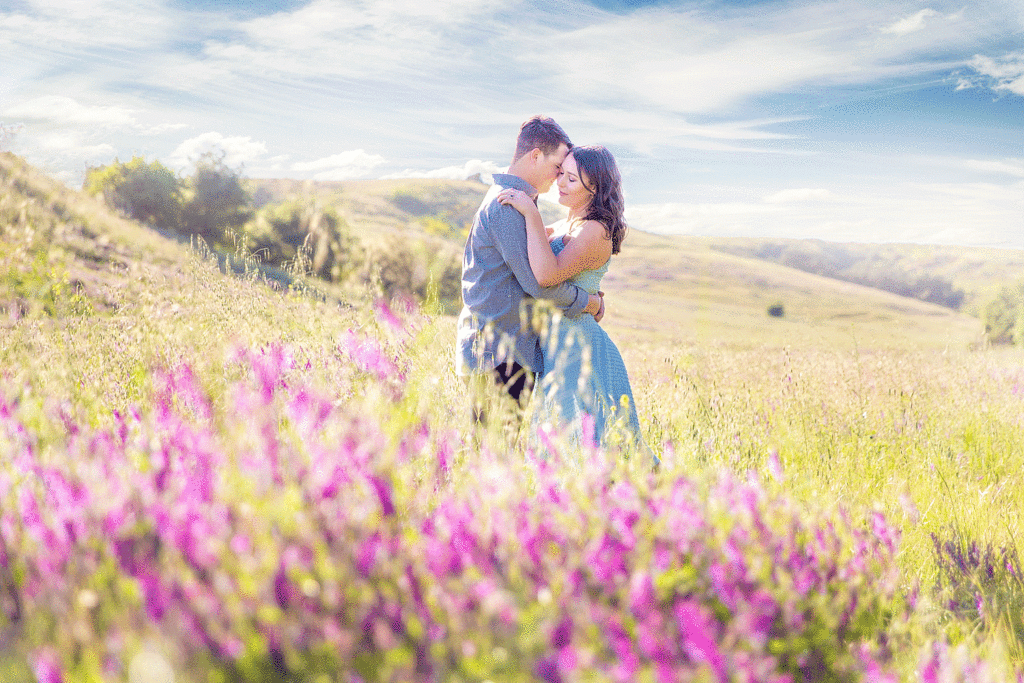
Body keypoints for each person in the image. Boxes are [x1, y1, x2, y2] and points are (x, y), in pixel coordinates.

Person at [497, 145, 649, 456]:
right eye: (562, 174)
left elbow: (547, 276)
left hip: (578, 345)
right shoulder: (571, 222)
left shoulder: (594, 230)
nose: (560, 183)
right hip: (557, 343)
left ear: (594, 190)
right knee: (561, 437)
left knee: (578, 441)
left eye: (572, 180)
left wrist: (530, 212)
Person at [456, 116, 605, 415]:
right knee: (495, 454)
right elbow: (539, 285)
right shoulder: (507, 206)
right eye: (557, 167)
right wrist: (588, 302)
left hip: (500, 351)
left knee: (495, 452)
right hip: (499, 355)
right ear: (536, 155)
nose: (559, 177)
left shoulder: (517, 202)